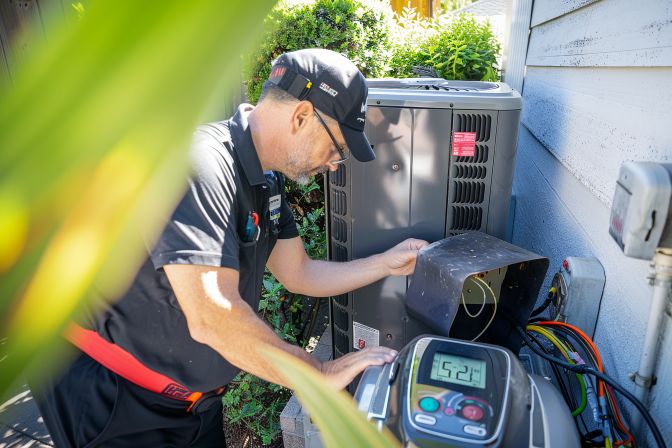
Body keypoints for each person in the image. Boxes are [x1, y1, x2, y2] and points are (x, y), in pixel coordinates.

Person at [32, 48, 428, 447]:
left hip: (194, 406)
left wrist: (386, 264)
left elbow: (299, 274)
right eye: (338, 147)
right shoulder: (201, 165)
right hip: (120, 402)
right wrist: (318, 375)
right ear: (302, 116)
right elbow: (213, 316)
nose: (335, 163)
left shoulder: (266, 184)